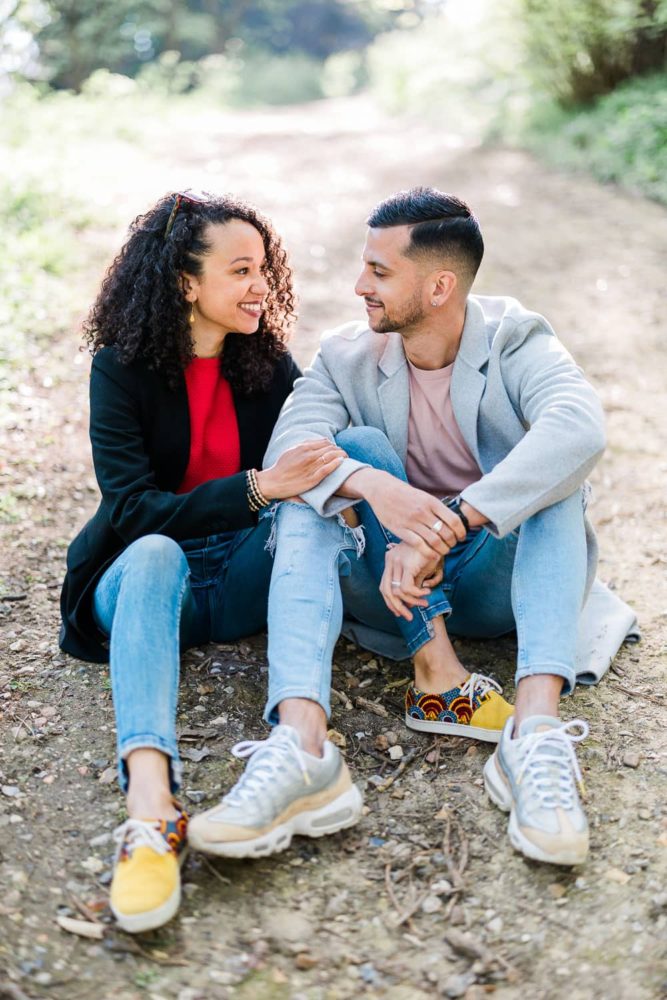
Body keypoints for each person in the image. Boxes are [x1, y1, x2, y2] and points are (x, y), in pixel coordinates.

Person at [188, 186, 610, 869]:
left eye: (379, 272)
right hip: (380, 587)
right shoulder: (345, 356)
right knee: (335, 463)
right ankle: (300, 744)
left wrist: (448, 521)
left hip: (494, 576)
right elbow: (287, 452)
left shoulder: (515, 337)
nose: (360, 286)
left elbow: (579, 427)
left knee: (557, 480)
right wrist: (378, 489)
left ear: (439, 285)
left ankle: (533, 733)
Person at [59, 191, 363, 934]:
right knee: (159, 549)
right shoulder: (120, 370)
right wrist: (258, 487)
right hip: (138, 583)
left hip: (235, 578)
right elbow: (130, 510)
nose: (261, 285)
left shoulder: (265, 364)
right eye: (240, 270)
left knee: (310, 506)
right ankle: (151, 811)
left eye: (264, 267)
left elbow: (318, 462)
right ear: (186, 283)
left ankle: (301, 748)